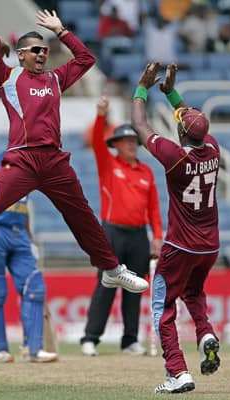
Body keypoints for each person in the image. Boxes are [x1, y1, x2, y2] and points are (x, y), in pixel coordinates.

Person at [0, 10, 149, 332]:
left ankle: (111, 269)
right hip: (22, 160)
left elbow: (86, 58)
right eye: (35, 50)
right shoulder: (8, 77)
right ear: (22, 55)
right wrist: (1, 46)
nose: (42, 54)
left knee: (82, 216)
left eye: (44, 50)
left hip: (54, 162)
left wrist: (62, 31)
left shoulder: (55, 79)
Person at [131, 62, 221, 394]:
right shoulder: (212, 148)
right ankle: (205, 332)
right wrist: (170, 92)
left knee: (163, 306)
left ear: (181, 133)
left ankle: (177, 371)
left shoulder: (174, 156)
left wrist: (142, 87)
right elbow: (191, 120)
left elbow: (139, 124)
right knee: (194, 293)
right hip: (209, 246)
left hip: (180, 246)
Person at [80, 94, 163, 357]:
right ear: (116, 144)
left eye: (134, 141)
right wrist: (101, 114)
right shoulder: (108, 164)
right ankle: (90, 338)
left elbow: (153, 209)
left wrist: (157, 236)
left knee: (135, 289)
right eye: (126, 141)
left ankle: (130, 340)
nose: (131, 145)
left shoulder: (146, 172)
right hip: (112, 233)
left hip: (138, 235)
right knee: (105, 286)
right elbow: (95, 140)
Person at [0, 151, 58, 363]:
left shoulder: (29, 168)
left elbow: (23, 207)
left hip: (19, 233)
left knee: (34, 287)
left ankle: (33, 349)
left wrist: (30, 239)